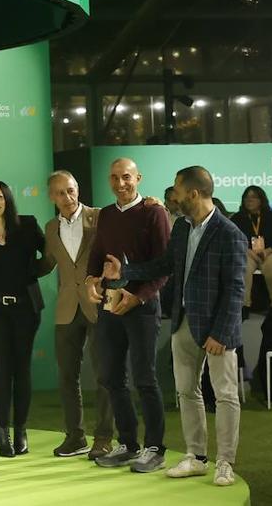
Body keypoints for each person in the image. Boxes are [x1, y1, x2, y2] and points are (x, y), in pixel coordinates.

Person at [97, 166, 246, 487]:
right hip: (183, 323)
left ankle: (225, 462)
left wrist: (221, 332)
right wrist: (125, 271)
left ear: (193, 193)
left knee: (225, 395)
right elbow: (163, 266)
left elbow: (235, 289)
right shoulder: (181, 229)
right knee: (186, 392)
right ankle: (197, 457)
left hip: (218, 330)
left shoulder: (230, 233)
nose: (172, 195)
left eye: (177, 189)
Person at [84, 157, 171, 474]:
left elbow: (164, 267)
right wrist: (90, 283)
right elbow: (96, 257)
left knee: (145, 378)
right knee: (110, 377)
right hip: (109, 306)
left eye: (126, 177)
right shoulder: (105, 215)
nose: (120, 184)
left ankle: (154, 448)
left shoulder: (154, 212)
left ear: (138, 177)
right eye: (114, 178)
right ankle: (128, 444)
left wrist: (137, 296)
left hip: (143, 308)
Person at [37, 170, 114, 460]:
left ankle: (104, 437)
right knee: (67, 376)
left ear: (77, 189)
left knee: (104, 375)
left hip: (98, 304)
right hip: (67, 309)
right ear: (51, 197)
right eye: (60, 193)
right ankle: (75, 436)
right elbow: (46, 264)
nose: (67, 198)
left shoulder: (101, 217)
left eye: (70, 190)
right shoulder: (49, 228)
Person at [0, 180, 44, 457]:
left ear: (8, 198)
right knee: (3, 367)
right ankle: (2, 433)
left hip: (27, 309)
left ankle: (20, 430)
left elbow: (52, 251)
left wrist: (34, 273)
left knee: (22, 369)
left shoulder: (27, 225)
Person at [232, 185, 272, 307]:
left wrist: (268, 250)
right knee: (242, 267)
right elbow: (233, 240)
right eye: (246, 198)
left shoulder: (271, 216)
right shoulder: (237, 218)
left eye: (253, 197)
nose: (249, 200)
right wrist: (247, 250)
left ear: (261, 200)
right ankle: (243, 305)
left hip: (269, 253)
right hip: (247, 253)